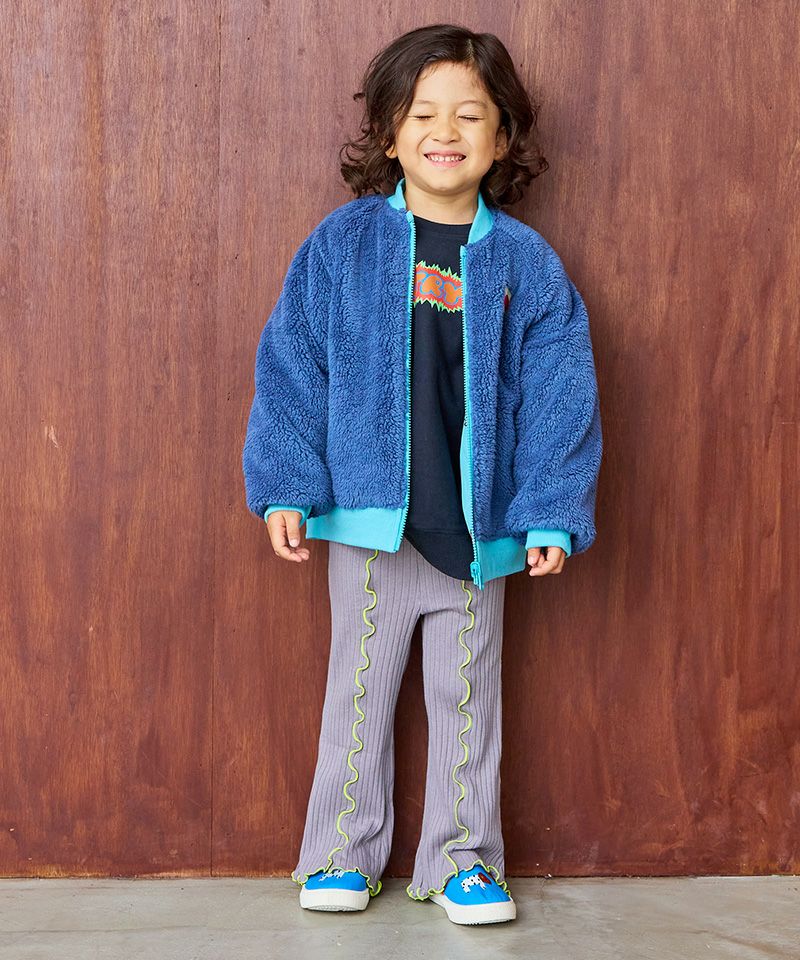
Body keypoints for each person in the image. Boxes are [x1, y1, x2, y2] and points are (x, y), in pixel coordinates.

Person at [242, 23, 603, 926]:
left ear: (502, 138)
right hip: (370, 526)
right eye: (422, 113)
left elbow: (561, 393)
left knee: (468, 701)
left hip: (477, 531)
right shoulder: (343, 245)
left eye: (470, 115)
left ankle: (463, 862)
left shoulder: (525, 264)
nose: (446, 131)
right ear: (389, 133)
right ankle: (341, 854)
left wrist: (550, 511)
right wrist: (285, 483)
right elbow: (293, 364)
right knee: (357, 696)